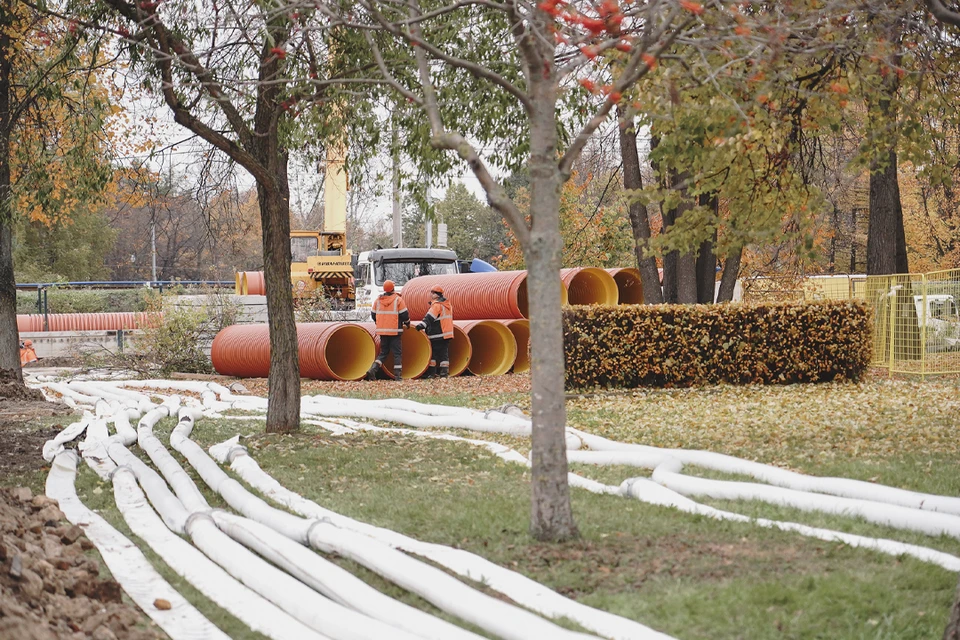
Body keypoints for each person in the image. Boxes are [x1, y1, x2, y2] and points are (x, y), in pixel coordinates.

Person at [366, 280, 409, 381]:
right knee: (397, 353)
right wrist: (407, 323)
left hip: (382, 331)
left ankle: (373, 369)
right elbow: (404, 315)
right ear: (393, 289)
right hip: (395, 331)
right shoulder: (398, 300)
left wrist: (379, 323)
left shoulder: (378, 300)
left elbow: (373, 315)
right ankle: (398, 376)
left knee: (383, 352)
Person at [415, 285, 453, 378]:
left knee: (433, 355)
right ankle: (444, 373)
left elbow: (429, 318)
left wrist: (421, 326)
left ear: (437, 295)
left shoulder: (436, 305)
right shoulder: (447, 305)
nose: (431, 295)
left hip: (436, 334)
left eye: (432, 293)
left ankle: (432, 373)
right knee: (444, 354)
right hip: (446, 334)